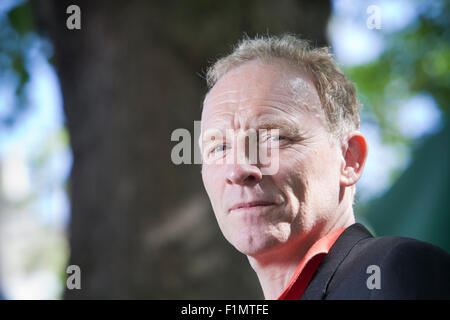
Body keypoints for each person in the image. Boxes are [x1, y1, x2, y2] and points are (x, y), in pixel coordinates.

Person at [198, 34, 450, 300]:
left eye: (275, 138)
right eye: (219, 147)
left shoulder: (394, 270)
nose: (239, 170)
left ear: (349, 159)